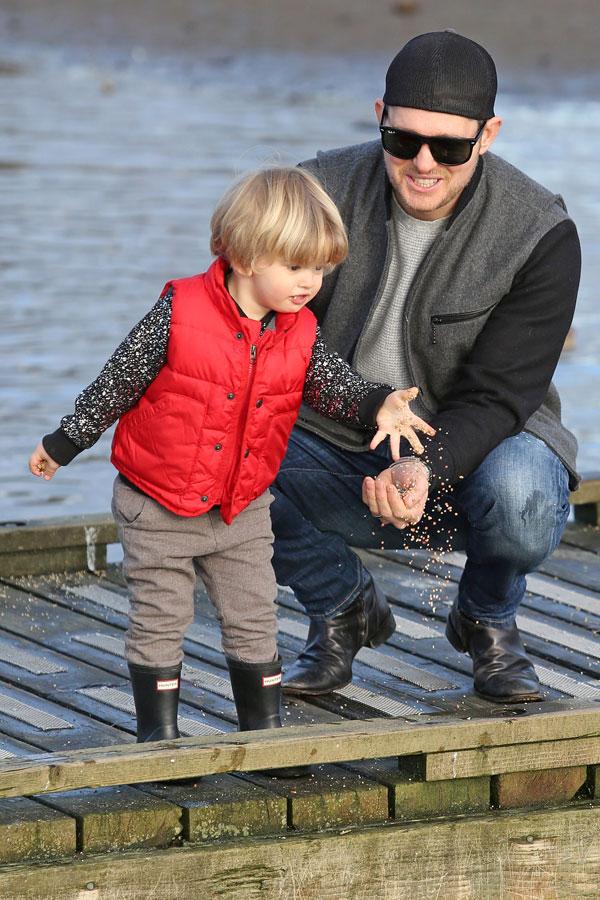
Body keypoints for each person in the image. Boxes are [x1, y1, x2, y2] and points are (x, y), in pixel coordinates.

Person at [28, 167, 432, 775]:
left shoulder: (299, 332)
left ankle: (264, 738)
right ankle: (158, 742)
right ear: (242, 256)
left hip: (242, 506)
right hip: (157, 501)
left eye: (319, 269)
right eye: (295, 267)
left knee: (253, 614)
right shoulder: (179, 311)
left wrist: (377, 402)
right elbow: (117, 382)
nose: (310, 283)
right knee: (161, 617)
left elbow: (332, 386)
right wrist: (65, 441)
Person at [271, 31, 581, 704]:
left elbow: (501, 398)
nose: (423, 163)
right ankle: (339, 606)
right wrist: (364, 402)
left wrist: (424, 466)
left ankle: (487, 618)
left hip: (475, 459)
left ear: (489, 134)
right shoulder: (314, 191)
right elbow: (268, 333)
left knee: (526, 496)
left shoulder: (541, 233)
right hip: (333, 446)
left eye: (450, 146)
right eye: (403, 139)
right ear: (379, 115)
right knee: (195, 451)